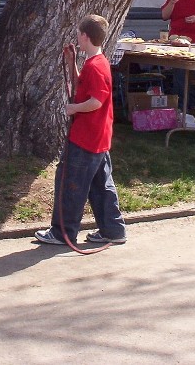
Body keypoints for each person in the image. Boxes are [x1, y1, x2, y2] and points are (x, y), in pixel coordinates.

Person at [35, 15, 127, 246]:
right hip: (99, 137)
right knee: (101, 185)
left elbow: (95, 100)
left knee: (70, 183)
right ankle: (113, 230)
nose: (77, 37)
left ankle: (62, 232)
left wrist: (73, 108)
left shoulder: (95, 67)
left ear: (85, 36)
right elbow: (84, 87)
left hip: (86, 137)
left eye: (79, 34)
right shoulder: (96, 62)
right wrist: (72, 64)